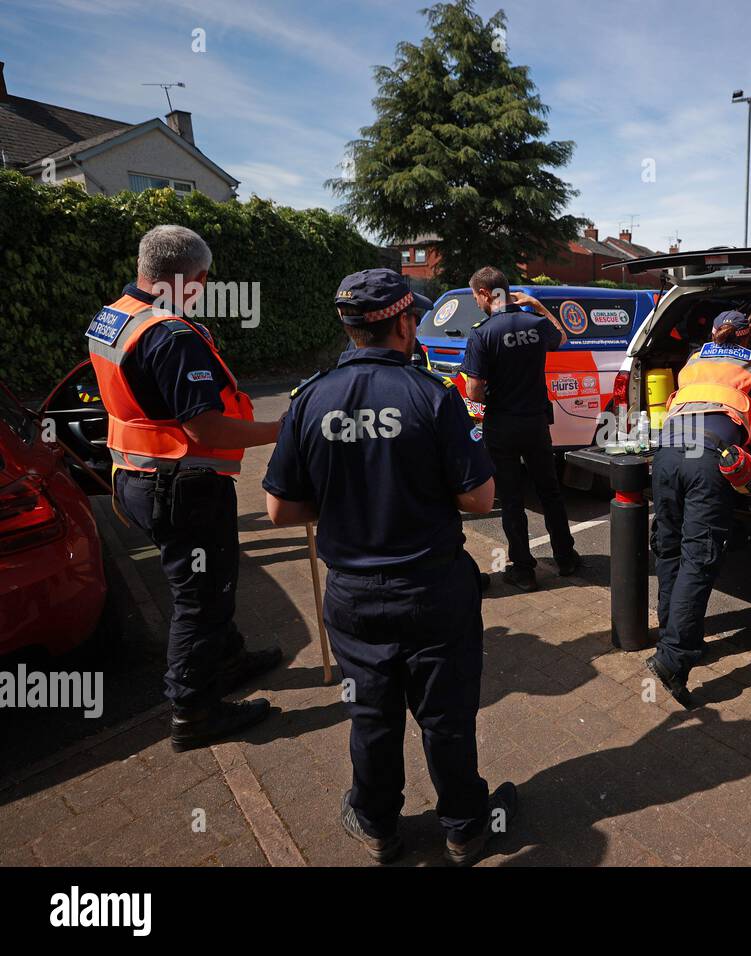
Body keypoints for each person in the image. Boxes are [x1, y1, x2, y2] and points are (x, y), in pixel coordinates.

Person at [262, 268, 516, 866]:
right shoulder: (433, 396)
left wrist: (345, 495)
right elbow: (480, 499)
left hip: (353, 595)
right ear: (403, 323)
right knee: (446, 715)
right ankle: (464, 827)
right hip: (432, 588)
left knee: (370, 715)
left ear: (349, 328)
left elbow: (279, 510)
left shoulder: (310, 399)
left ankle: (376, 823)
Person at [86, 224, 282, 751]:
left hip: (135, 478)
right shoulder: (170, 335)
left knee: (210, 582)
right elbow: (206, 426)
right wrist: (278, 431)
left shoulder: (112, 317)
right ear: (194, 278)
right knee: (199, 598)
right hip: (181, 487)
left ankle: (228, 658)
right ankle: (193, 710)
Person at [646, 310, 751, 707]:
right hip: (707, 458)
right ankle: (673, 658)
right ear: (746, 338)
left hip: (667, 455)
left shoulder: (693, 360)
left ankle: (672, 630)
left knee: (669, 546)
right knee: (698, 557)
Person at [460, 266, 580, 592]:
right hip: (536, 422)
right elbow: (564, 337)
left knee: (512, 498)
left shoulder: (483, 333)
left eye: (475, 297)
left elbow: (473, 389)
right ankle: (566, 557)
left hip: (501, 425)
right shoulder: (536, 323)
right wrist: (537, 305)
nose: (477, 303)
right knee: (550, 491)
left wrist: (481, 412)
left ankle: (524, 571)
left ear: (486, 293)